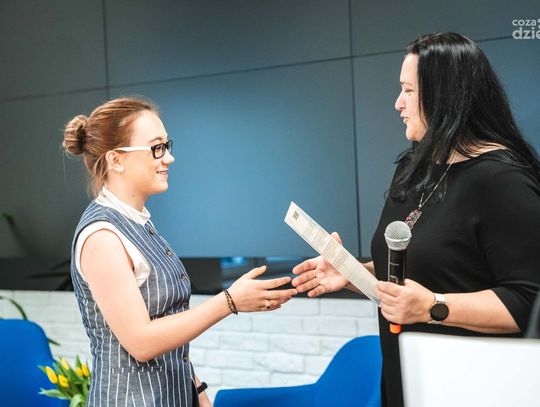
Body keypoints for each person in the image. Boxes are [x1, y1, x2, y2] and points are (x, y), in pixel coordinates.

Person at [291, 32, 540, 407]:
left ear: (446, 95)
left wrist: (432, 307)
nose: (398, 103)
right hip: (405, 380)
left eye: (408, 91)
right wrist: (352, 274)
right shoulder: (414, 167)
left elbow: (528, 300)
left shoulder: (503, 181)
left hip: (473, 388)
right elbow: (414, 273)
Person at [63, 97, 297, 407]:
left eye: (167, 145)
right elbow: (141, 341)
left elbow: (169, 325)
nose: (169, 158)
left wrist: (199, 392)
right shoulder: (101, 237)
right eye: (156, 148)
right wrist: (229, 301)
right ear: (116, 160)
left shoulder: (138, 222)